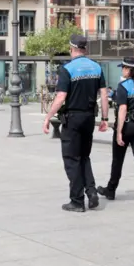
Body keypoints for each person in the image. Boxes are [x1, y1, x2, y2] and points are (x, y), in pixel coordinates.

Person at [43, 34, 109, 213]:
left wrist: (48, 116)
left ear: (72, 48)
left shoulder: (67, 69)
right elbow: (104, 95)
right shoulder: (96, 67)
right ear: (85, 49)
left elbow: (61, 97)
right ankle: (92, 192)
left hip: (72, 118)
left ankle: (77, 201)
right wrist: (104, 119)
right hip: (89, 117)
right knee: (84, 157)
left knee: (72, 159)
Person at [97, 57, 134, 206]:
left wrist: (119, 132)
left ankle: (111, 190)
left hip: (127, 126)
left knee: (118, 160)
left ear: (129, 70)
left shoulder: (123, 86)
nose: (122, 70)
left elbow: (122, 109)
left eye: (123, 67)